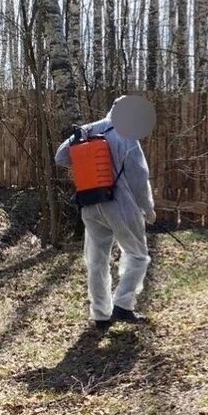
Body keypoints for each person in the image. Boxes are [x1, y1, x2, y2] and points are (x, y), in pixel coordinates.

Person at [55, 100, 157, 329]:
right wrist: (148, 208)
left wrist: (82, 153)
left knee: (96, 260)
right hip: (120, 205)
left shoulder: (89, 129)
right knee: (138, 255)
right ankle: (123, 305)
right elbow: (139, 177)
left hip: (90, 203)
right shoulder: (127, 136)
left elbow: (60, 157)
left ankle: (101, 314)